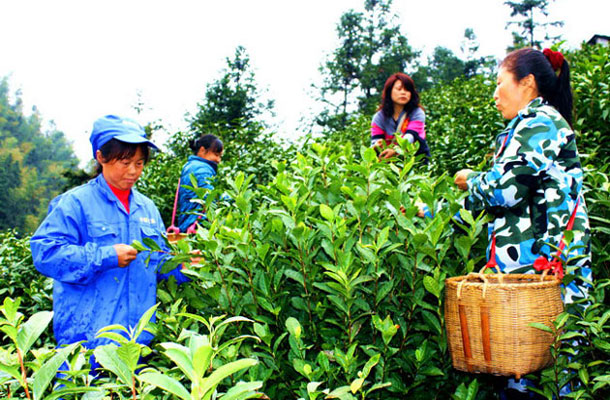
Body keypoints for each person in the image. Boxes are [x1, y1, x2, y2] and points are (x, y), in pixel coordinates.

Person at [454, 48, 591, 399]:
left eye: (501, 84)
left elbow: (506, 190)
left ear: (527, 83)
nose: (495, 95)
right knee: (521, 378)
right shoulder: (523, 126)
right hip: (526, 277)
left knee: (555, 377)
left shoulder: (540, 122)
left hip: (550, 277)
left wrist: (470, 179)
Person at [30, 115, 188, 362]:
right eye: (124, 162)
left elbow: (156, 267)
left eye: (139, 163)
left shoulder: (147, 209)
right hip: (86, 347)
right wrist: (105, 256)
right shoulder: (75, 203)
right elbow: (45, 254)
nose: (134, 171)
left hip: (137, 347)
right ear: (100, 157)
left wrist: (184, 264)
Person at [371, 72, 430, 161]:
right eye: (399, 89)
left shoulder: (417, 113)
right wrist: (376, 145)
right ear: (389, 92)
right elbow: (375, 140)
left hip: (415, 159)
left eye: (407, 90)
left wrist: (395, 150)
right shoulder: (379, 117)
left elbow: (410, 136)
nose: (403, 93)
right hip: (388, 161)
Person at [177, 134, 224, 233]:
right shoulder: (202, 169)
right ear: (202, 150)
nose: (218, 160)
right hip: (198, 227)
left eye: (220, 156)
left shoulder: (189, 166)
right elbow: (209, 199)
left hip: (186, 223)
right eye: (216, 154)